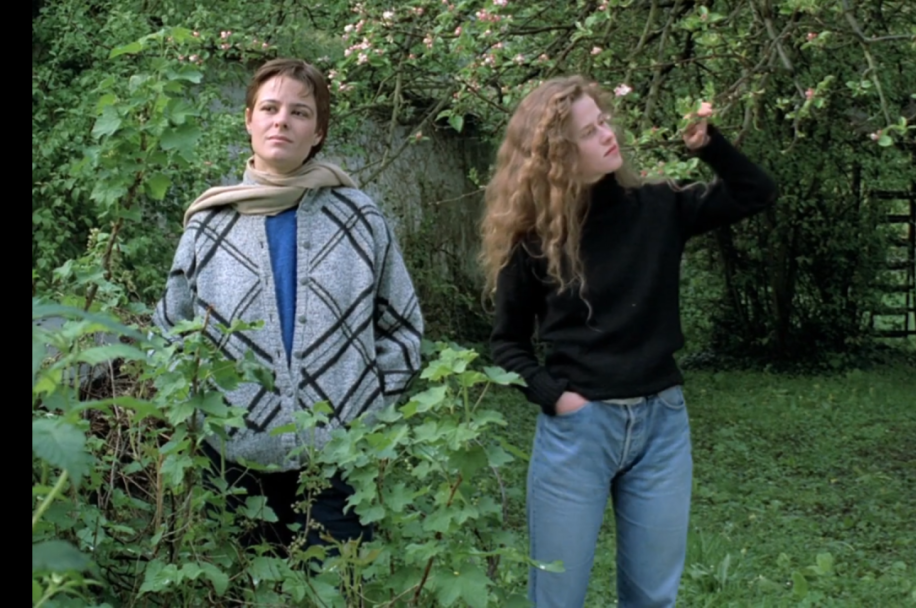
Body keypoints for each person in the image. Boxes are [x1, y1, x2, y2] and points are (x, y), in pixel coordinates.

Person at [479, 76, 778, 607]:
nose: (607, 135)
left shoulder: (658, 207)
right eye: (589, 132)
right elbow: (507, 346)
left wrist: (709, 145)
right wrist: (555, 397)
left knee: (652, 599)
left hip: (662, 427)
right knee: (557, 597)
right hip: (579, 434)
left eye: (604, 122)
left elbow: (757, 192)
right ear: (558, 155)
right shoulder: (533, 242)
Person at [153, 58, 423, 554]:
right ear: (249, 119)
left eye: (300, 112)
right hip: (231, 461)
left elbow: (403, 329)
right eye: (270, 108)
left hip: (340, 462)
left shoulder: (360, 219)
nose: (282, 121)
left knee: (338, 585)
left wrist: (367, 411)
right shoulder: (208, 225)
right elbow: (170, 331)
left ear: (317, 132)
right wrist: (200, 418)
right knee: (238, 585)